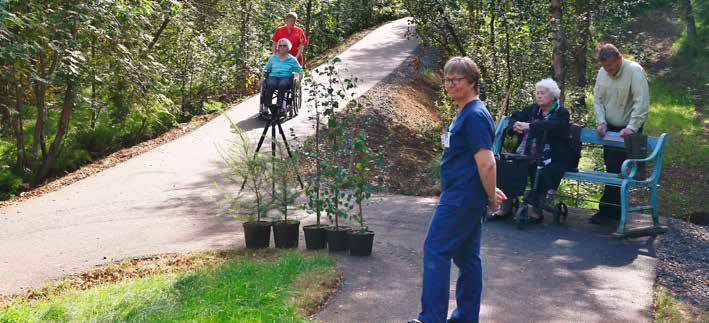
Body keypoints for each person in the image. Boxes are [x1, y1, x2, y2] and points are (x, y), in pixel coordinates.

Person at [409, 57, 507, 323]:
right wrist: (488, 190)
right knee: (467, 258)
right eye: (447, 79)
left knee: (435, 250)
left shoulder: (474, 115)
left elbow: (486, 161)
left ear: (472, 82)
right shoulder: (466, 112)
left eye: (457, 80)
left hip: (461, 198)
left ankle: (432, 318)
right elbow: (476, 162)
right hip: (464, 195)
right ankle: (465, 318)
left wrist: (490, 196)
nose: (450, 85)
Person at [590, 43, 649, 224]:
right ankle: (610, 212)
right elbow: (598, 100)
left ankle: (612, 212)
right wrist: (600, 122)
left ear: (619, 59)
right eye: (605, 67)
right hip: (610, 129)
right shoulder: (602, 73)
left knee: (621, 170)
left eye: (612, 66)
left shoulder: (634, 71)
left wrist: (632, 127)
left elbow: (641, 102)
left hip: (629, 129)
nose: (609, 70)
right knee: (611, 168)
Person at [506, 78, 572, 223]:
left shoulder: (561, 113)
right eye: (537, 93)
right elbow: (514, 117)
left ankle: (536, 210)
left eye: (543, 93)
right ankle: (506, 206)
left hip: (552, 156)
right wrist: (515, 125)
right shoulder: (532, 109)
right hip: (527, 152)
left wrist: (530, 126)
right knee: (510, 166)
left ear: (553, 96)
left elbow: (553, 126)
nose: (539, 96)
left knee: (540, 169)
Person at [260, 38, 303, 114]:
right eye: (280, 46)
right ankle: (267, 106)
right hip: (273, 76)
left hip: (286, 77)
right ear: (277, 47)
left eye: (284, 46)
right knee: (270, 84)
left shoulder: (292, 59)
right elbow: (266, 69)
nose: (282, 47)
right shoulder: (273, 58)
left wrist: (299, 80)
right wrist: (262, 77)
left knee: (282, 85)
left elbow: (299, 70)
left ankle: (279, 107)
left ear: (288, 47)